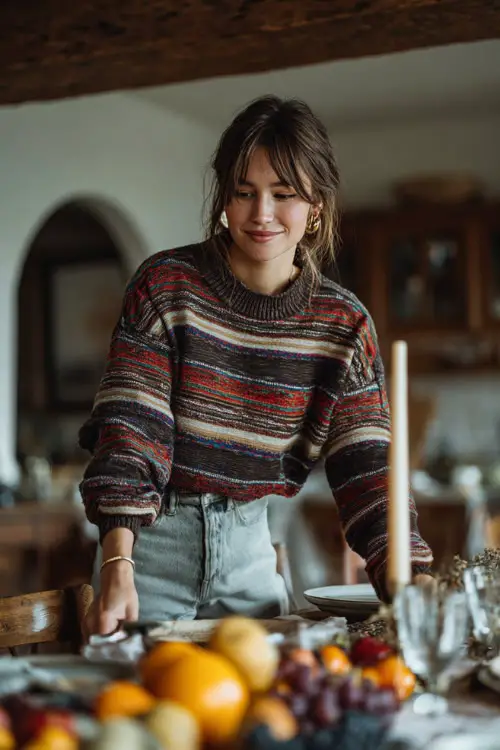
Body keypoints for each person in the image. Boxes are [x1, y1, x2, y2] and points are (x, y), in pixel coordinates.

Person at [80, 95, 433, 635]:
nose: (261, 214)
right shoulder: (165, 288)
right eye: (244, 192)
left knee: (264, 706)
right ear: (224, 197)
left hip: (250, 552)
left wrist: (406, 572)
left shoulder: (343, 324)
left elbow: (368, 471)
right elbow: (132, 433)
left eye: (283, 194)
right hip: (148, 552)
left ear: (317, 205)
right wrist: (117, 563)